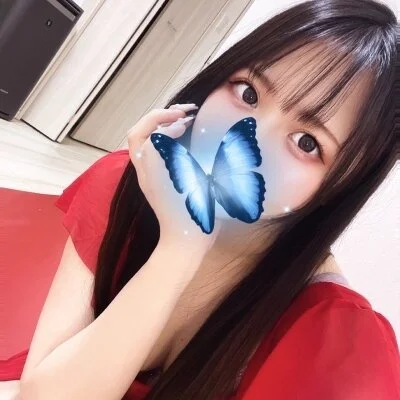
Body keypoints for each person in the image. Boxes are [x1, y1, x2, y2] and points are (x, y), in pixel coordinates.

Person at [17, 0, 399, 399]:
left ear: (340, 186)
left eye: (307, 142)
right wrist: (179, 248)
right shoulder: (125, 182)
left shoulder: (335, 343)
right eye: (248, 92)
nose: (249, 138)